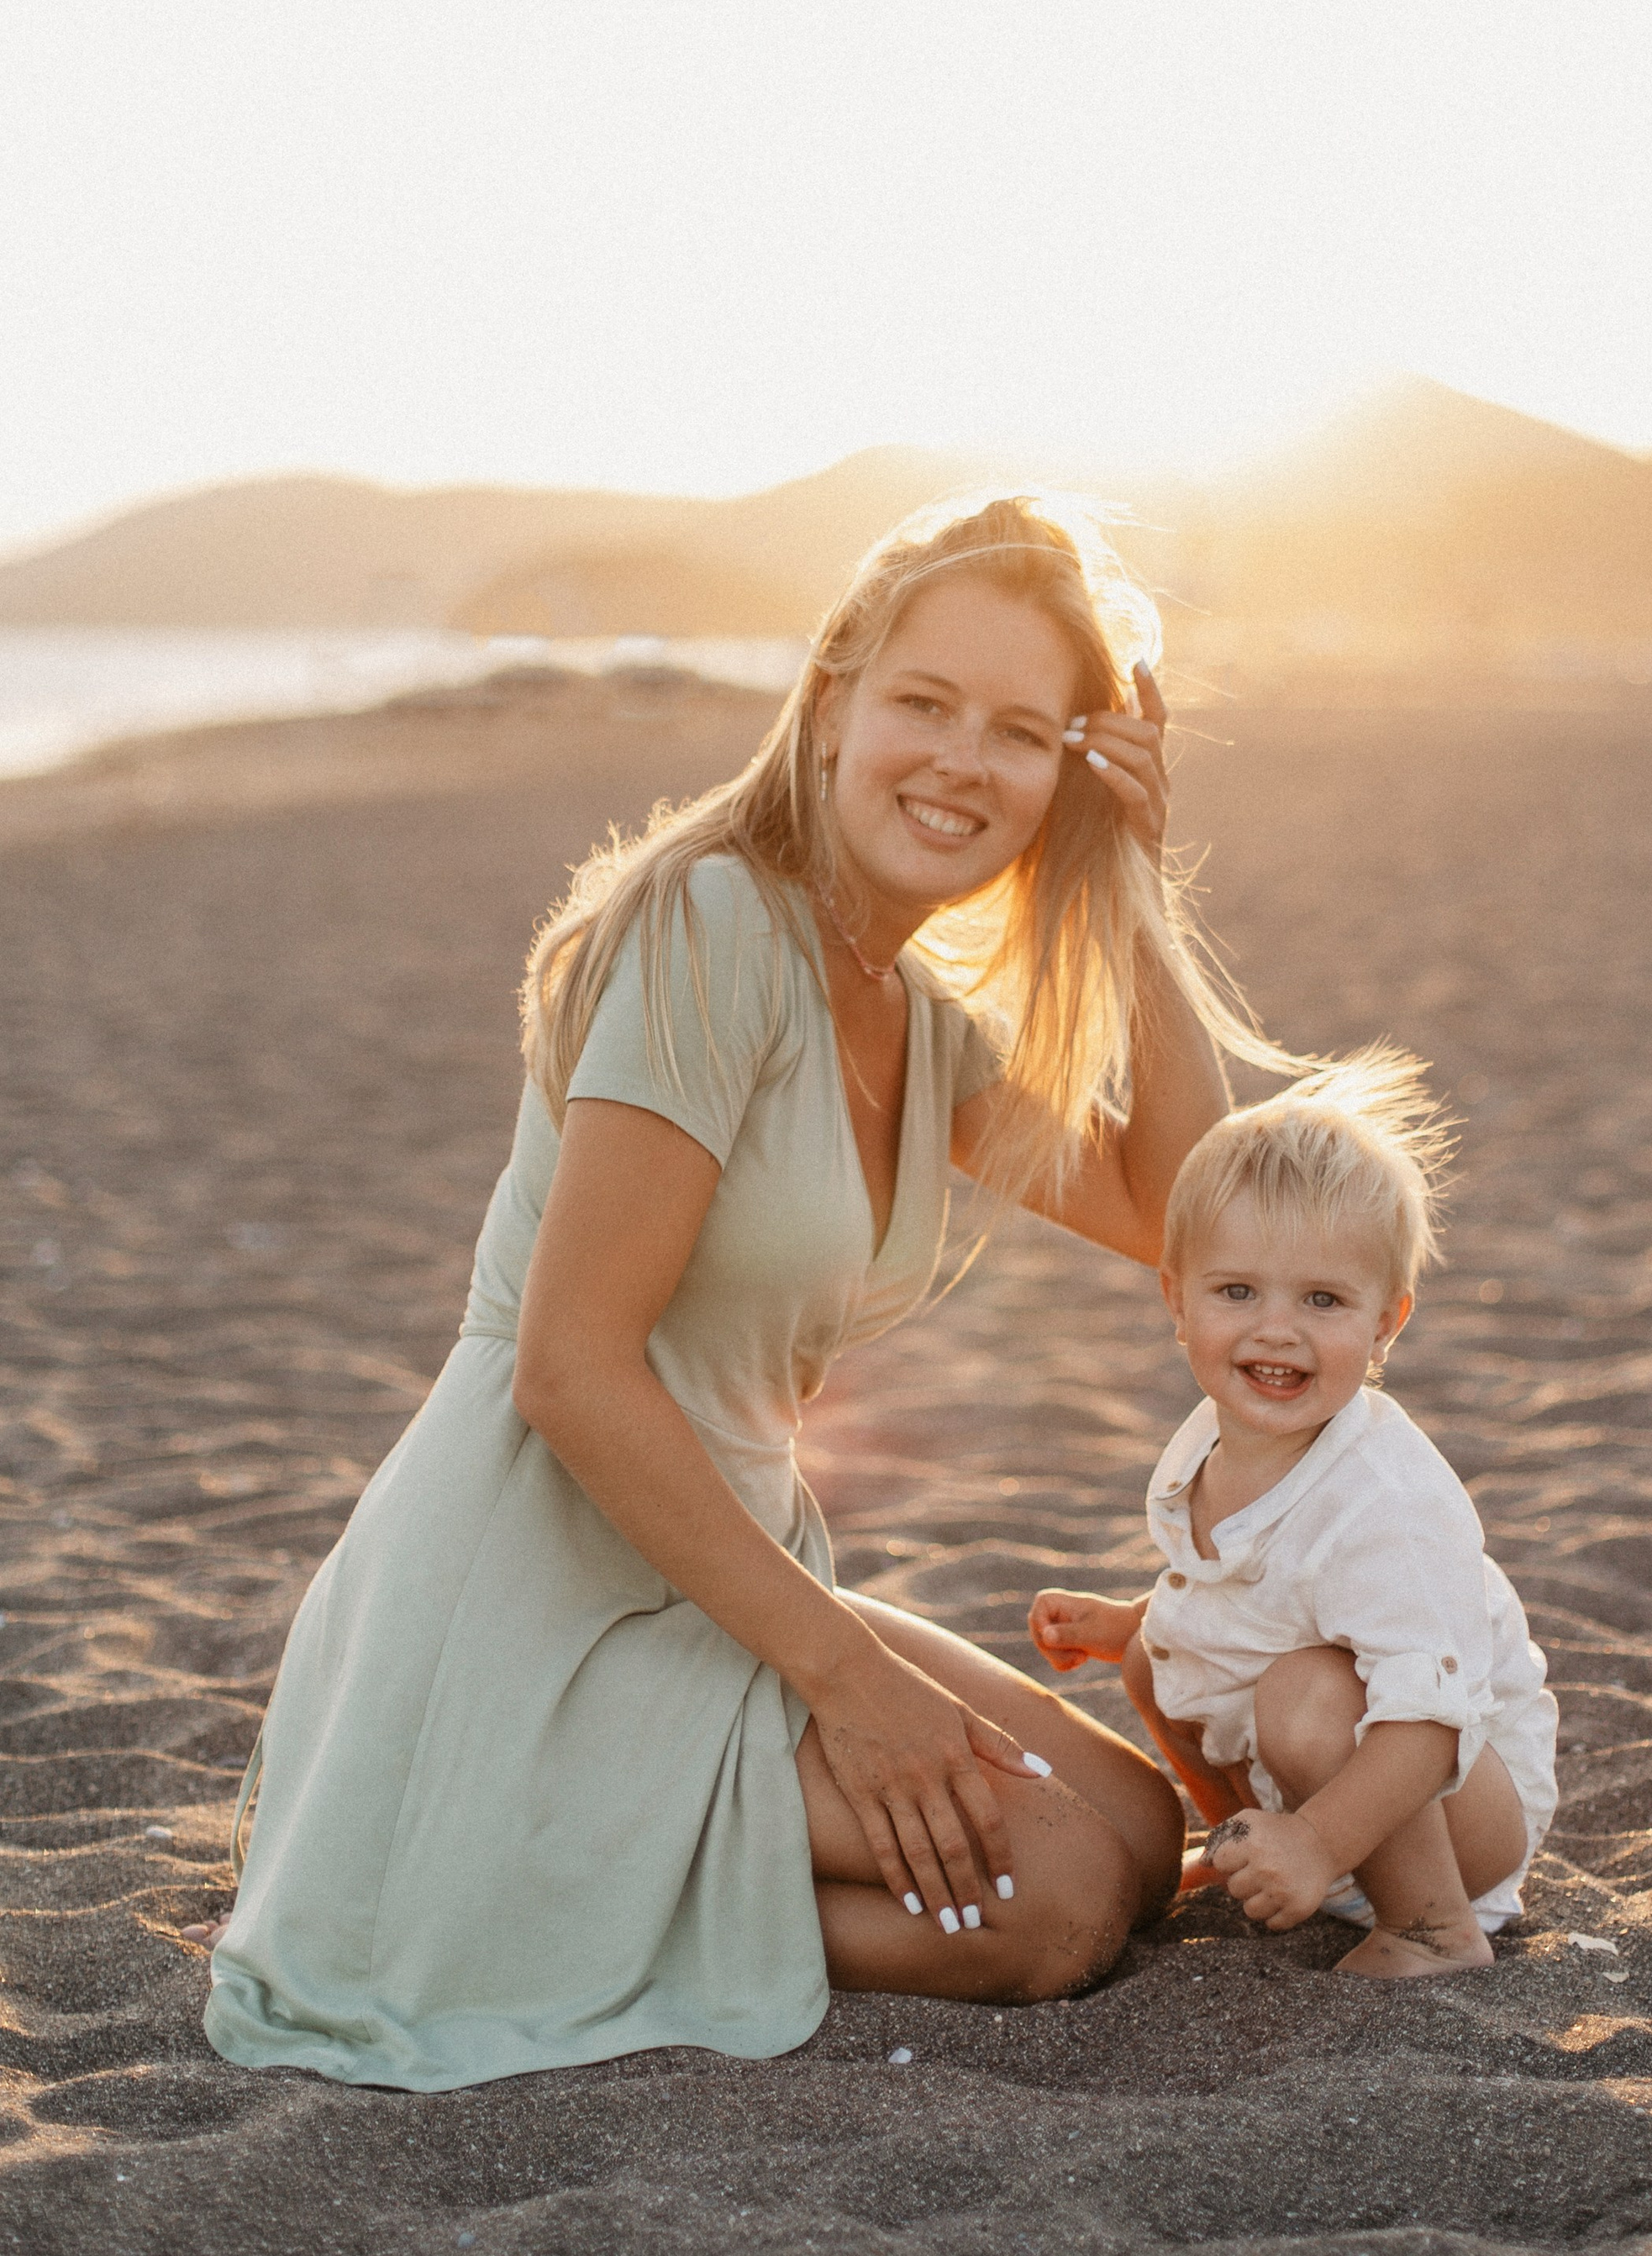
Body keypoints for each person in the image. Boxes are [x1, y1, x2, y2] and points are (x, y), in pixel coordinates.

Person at [203, 491, 1295, 2091]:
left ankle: (630, 1879)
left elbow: (1202, 1229)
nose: (958, 761)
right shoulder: (713, 926)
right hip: (540, 1586)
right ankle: (518, 1900)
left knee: (1136, 1824)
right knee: (1057, 1903)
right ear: (837, 693)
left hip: (715, 1569)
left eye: (1020, 732)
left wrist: (1126, 882)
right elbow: (569, 1372)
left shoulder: (910, 1018)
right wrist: (853, 1687)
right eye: (924, 702)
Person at [1029, 1065, 1558, 1976]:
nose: (1276, 1330)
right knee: (1160, 1654)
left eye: (1322, 1300)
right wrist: (1126, 1625)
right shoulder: (1212, 1446)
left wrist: (1319, 1843)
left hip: (1448, 1808)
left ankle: (1431, 1929)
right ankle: (1244, 1840)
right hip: (1317, 1785)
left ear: (1386, 1321)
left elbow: (1428, 1725)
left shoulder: (1382, 1501)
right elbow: (1252, 1589)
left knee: (1305, 1695)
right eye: (1238, 1292)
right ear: (1175, 1300)